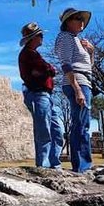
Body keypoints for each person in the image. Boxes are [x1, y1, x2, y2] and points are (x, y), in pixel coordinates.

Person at [54, 8, 95, 173]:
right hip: (77, 82)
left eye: (82, 18)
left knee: (83, 123)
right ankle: (81, 166)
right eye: (77, 18)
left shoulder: (76, 39)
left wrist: (91, 52)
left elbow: (89, 67)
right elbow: (66, 64)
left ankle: (84, 164)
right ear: (67, 22)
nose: (81, 21)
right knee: (80, 124)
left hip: (85, 80)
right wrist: (77, 89)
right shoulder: (65, 38)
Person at [19, 22, 63, 168]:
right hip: (38, 94)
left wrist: (47, 70)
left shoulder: (35, 55)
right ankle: (43, 166)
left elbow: (48, 70)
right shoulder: (27, 55)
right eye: (39, 35)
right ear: (32, 38)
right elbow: (41, 72)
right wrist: (48, 70)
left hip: (47, 95)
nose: (42, 37)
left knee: (57, 131)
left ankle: (54, 164)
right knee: (43, 131)